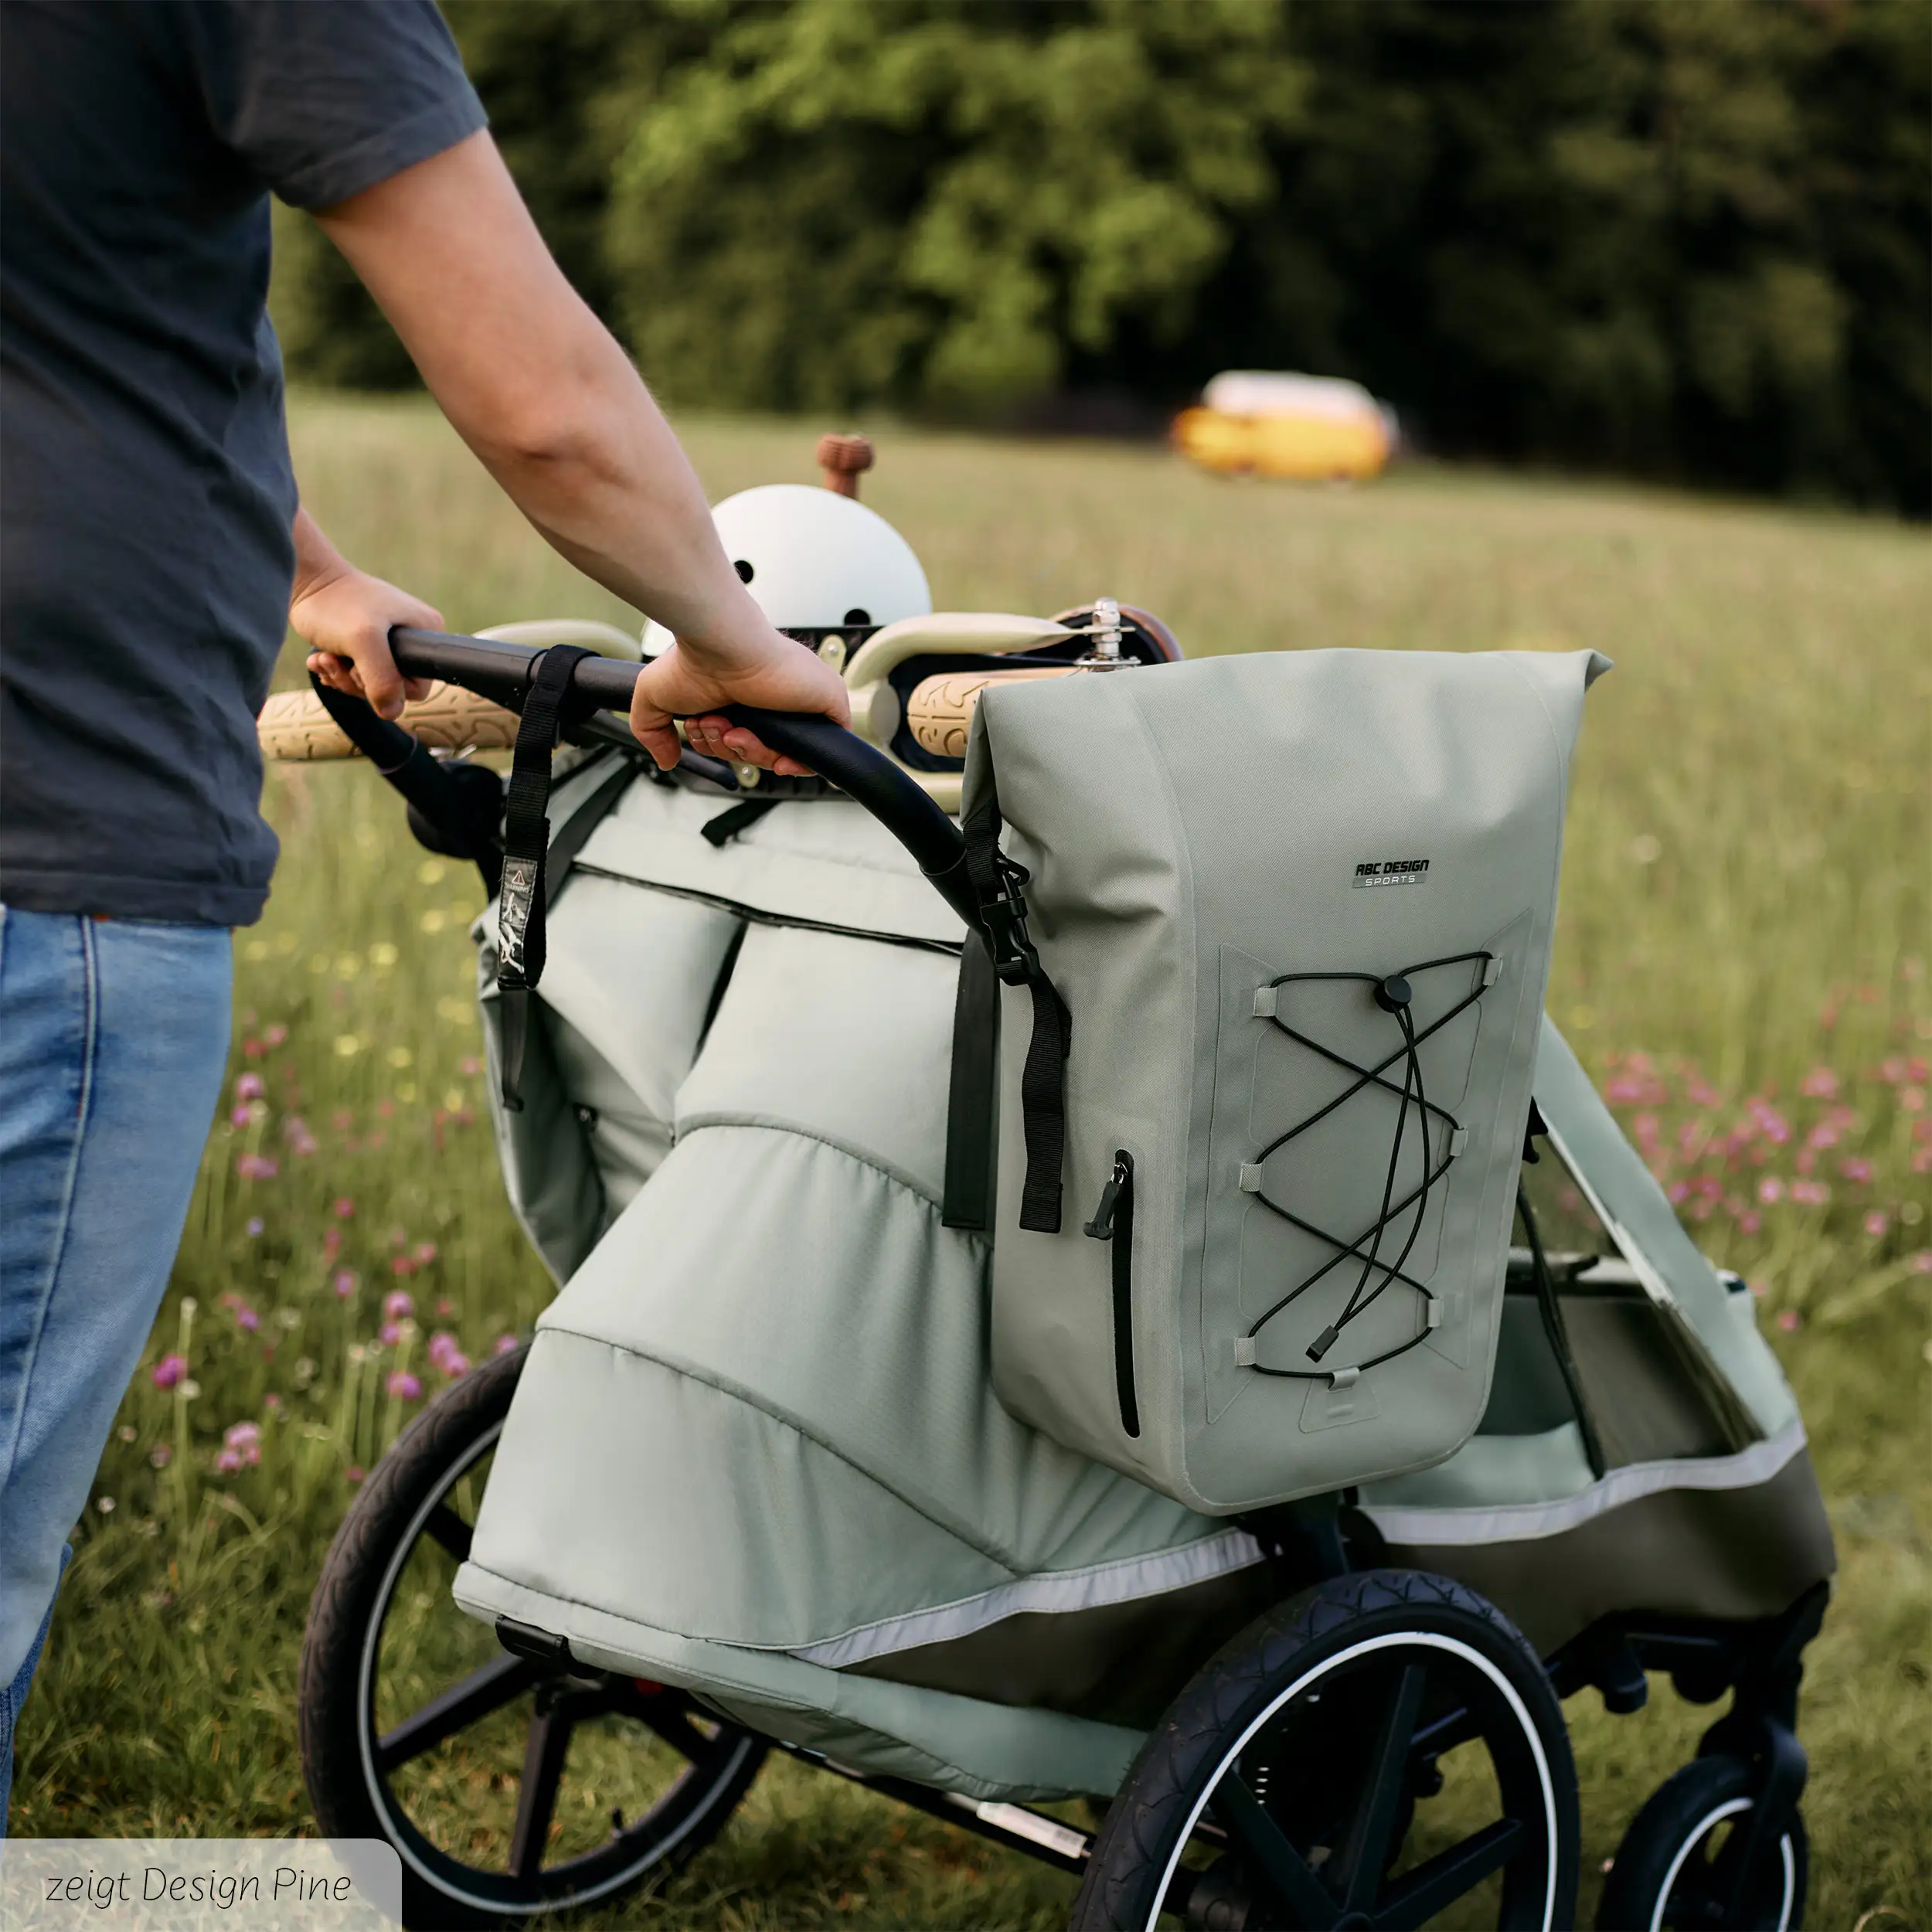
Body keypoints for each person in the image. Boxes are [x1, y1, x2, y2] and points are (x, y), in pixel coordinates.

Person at [0, 0, 846, 1821]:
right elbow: (540, 400)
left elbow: (64, 285)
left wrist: (297, 559)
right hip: (50, 851)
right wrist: (729, 634)